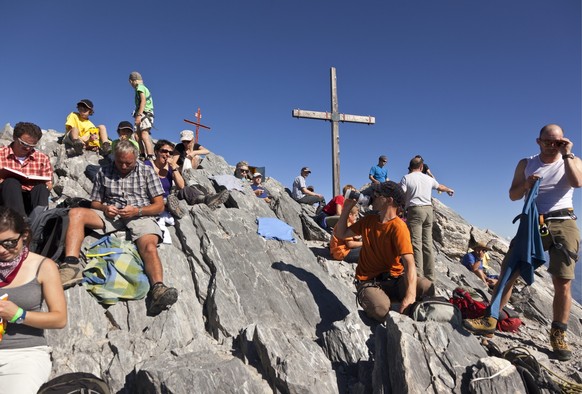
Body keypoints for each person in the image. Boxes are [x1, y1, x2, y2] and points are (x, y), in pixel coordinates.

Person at [464, 124, 581, 361]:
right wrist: (526, 185)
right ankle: (490, 318)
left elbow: (577, 182)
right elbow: (513, 195)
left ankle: (558, 334)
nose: (552, 145)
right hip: (531, 222)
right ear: (538, 141)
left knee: (563, 281)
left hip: (562, 221)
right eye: (547, 141)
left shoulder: (572, 160)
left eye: (557, 142)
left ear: (563, 142)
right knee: (508, 271)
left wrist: (568, 154)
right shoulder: (526, 163)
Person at [58, 140, 178, 316]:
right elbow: (95, 202)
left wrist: (137, 210)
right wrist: (105, 208)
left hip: (140, 215)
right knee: (76, 213)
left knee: (148, 246)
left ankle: (158, 289)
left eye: (128, 163)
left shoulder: (146, 171)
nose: (123, 166)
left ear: (136, 159)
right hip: (111, 215)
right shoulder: (104, 171)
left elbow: (159, 206)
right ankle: (71, 264)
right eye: (119, 161)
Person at [334, 181, 434, 322]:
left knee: (426, 286)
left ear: (388, 200)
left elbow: (409, 263)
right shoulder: (368, 220)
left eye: (377, 195)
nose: (373, 197)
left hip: (394, 279)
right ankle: (391, 306)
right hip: (368, 281)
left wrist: (411, 295)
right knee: (380, 309)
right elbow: (341, 234)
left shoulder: (399, 227)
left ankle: (406, 307)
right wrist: (346, 209)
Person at [0, 206, 66, 393]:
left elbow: (59, 319)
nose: (3, 250)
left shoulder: (43, 266)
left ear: (25, 236)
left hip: (24, 356)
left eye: (10, 243)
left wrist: (19, 314)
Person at [400, 156, 454, 282]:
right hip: (428, 210)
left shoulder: (406, 178)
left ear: (410, 166)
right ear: (421, 167)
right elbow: (439, 186)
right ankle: (430, 277)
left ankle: (418, 275)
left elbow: (401, 193)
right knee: (427, 243)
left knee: (416, 243)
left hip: (415, 210)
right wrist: (448, 190)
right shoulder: (428, 178)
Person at [0, 122, 53, 217]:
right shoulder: (1, 154)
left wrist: (45, 184)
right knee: (11, 182)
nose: (27, 148)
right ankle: (20, 223)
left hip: (30, 198)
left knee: (41, 188)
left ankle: (40, 223)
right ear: (15, 137)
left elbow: (49, 184)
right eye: (23, 144)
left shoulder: (42, 158)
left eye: (32, 146)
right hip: (5, 198)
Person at [144, 139, 185, 204]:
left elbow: (181, 186)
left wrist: (174, 167)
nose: (168, 154)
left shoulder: (171, 168)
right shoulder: (146, 165)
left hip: (165, 202)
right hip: (148, 201)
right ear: (156, 152)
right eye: (164, 151)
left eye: (171, 153)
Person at [129, 71, 155, 159]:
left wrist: (139, 115)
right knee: (137, 135)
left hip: (144, 113)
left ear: (132, 81)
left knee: (144, 134)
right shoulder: (142, 87)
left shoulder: (140, 87)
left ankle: (150, 155)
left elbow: (143, 101)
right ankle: (142, 154)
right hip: (142, 113)